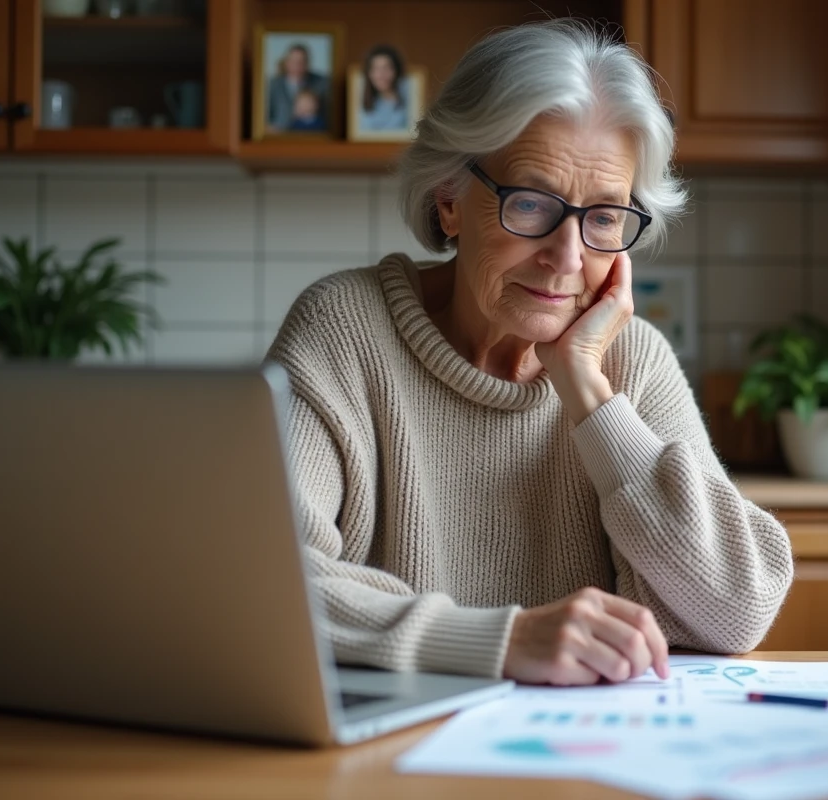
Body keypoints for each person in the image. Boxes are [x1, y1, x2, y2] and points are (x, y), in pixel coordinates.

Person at [267, 20, 793, 687]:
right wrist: (502, 641)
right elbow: (264, 578)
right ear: (450, 200)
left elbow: (737, 610)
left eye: (604, 217)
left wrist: (587, 393)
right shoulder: (344, 330)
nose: (567, 258)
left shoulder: (631, 361)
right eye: (531, 204)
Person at [266, 43, 328, 133]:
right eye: (294, 61)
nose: (298, 65)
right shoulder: (273, 85)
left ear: (308, 63)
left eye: (302, 62)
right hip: (279, 135)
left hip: (312, 134)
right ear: (287, 62)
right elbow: (264, 115)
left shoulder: (322, 83)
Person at [358, 44, 409, 132]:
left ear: (396, 71)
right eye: (376, 69)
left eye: (387, 68)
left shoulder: (408, 97)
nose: (381, 75)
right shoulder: (360, 101)